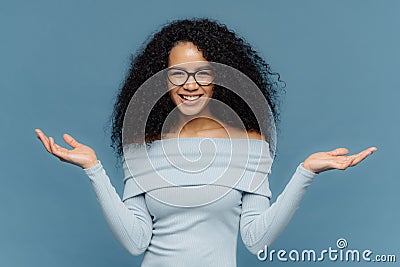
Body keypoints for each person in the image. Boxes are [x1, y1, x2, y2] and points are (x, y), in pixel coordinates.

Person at [34, 18, 377, 267]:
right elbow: (135, 242)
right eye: (177, 74)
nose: (190, 84)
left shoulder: (251, 146)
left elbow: (256, 239)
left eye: (203, 72)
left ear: (220, 77)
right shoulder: (140, 148)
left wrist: (305, 172)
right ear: (161, 81)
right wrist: (94, 169)